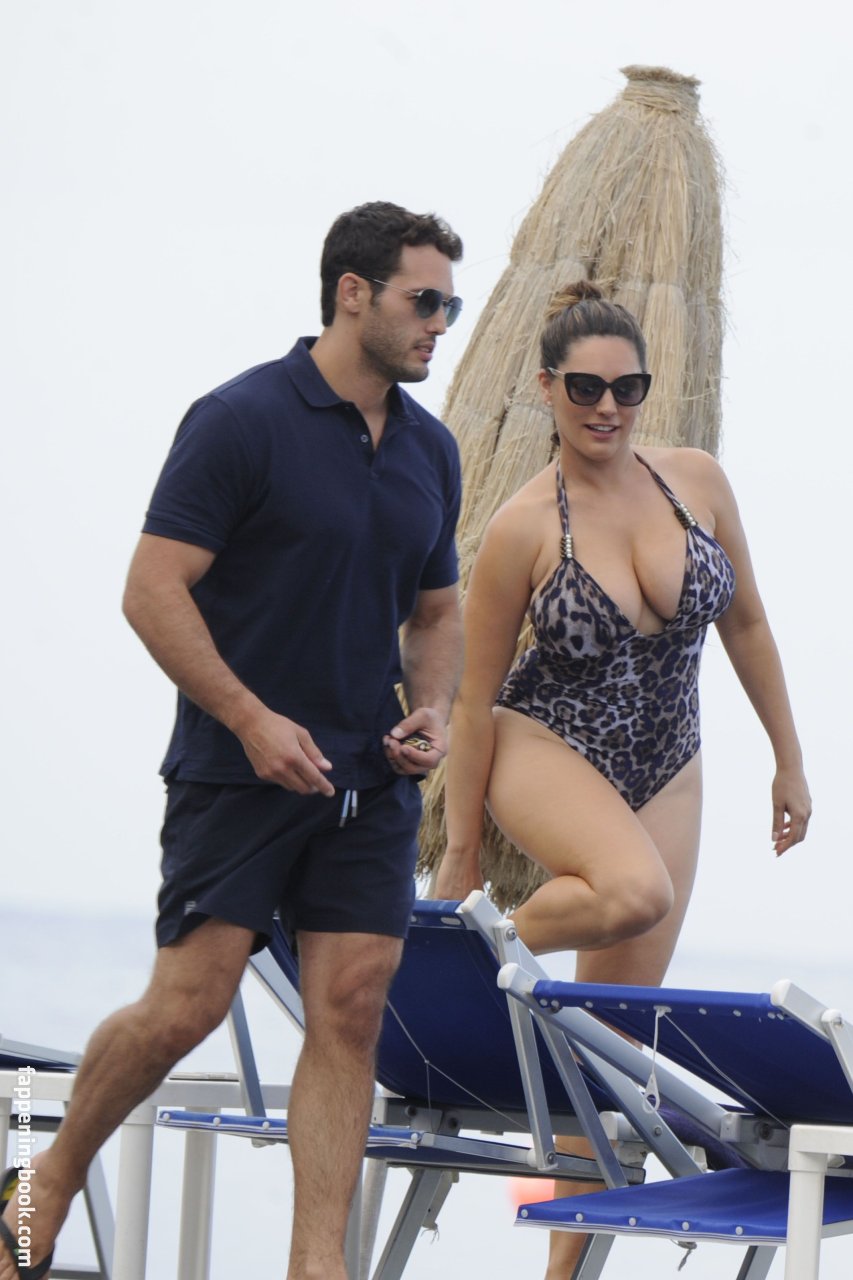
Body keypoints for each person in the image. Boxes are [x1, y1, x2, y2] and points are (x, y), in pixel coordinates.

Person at [0, 201, 464, 1280]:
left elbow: (437, 610)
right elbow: (151, 589)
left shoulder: (430, 449)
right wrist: (251, 719)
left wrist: (433, 708)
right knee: (187, 1007)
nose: (439, 324)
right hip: (235, 770)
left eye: (449, 305)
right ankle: (50, 1176)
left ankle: (315, 1264)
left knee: (350, 1008)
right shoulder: (240, 419)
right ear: (352, 292)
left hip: (370, 782)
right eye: (423, 301)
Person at [434, 280, 811, 1278]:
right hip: (544, 740)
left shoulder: (696, 483)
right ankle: (477, 950)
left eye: (627, 387)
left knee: (606, 1052)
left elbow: (747, 623)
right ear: (547, 387)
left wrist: (788, 757)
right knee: (632, 889)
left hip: (670, 757)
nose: (607, 407)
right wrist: (462, 852)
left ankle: (562, 1274)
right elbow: (470, 700)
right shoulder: (522, 525)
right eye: (586, 388)